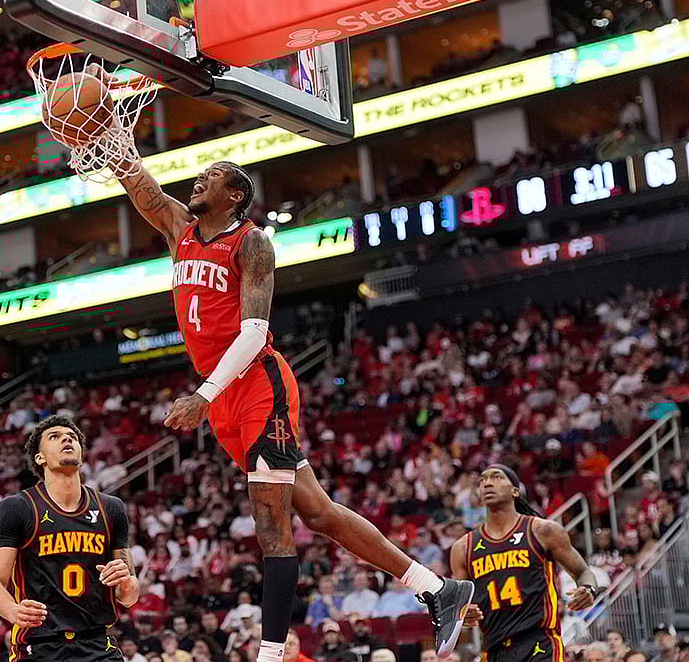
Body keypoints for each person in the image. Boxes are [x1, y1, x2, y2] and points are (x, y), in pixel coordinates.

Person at [109, 100, 473, 662]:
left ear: (234, 195)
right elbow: (143, 189)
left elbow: (255, 330)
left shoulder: (252, 242)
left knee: (272, 524)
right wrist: (107, 131)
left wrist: (202, 396)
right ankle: (438, 589)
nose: (198, 181)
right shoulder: (182, 228)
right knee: (319, 513)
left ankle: (272, 655)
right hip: (223, 391)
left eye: (211, 177)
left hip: (258, 383)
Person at [0, 414, 138, 662]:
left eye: (73, 437)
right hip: (40, 646)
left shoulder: (112, 508)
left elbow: (129, 597)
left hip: (98, 644)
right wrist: (14, 611)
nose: (67, 438)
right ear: (40, 457)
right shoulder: (17, 508)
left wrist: (128, 583)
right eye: (54, 436)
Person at [452, 465, 602, 662]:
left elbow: (582, 571)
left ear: (515, 490)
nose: (487, 483)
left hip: (539, 641)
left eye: (496, 478)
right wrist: (463, 613)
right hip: (494, 647)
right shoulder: (463, 547)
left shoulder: (542, 530)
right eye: (482, 481)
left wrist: (589, 589)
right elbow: (461, 605)